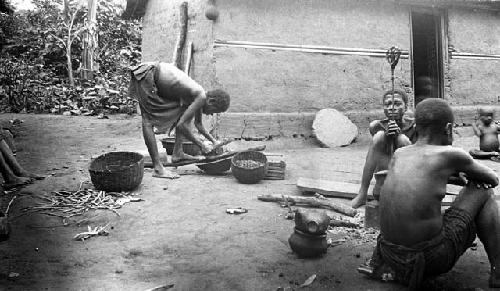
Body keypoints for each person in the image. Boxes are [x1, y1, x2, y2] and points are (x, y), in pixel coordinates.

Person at [362, 98, 500, 290]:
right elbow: (493, 179)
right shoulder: (451, 154)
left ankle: (384, 266)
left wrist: (451, 174)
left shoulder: (400, 153)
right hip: (429, 258)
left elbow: (424, 175)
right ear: (449, 128)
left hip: (389, 253)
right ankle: (498, 270)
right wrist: (461, 170)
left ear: (417, 126)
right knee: (484, 190)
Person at [129, 62, 230, 179]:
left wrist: (214, 142)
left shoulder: (200, 96)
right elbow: (181, 126)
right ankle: (158, 168)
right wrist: (201, 145)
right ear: (211, 101)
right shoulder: (201, 97)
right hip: (147, 75)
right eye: (214, 111)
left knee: (182, 112)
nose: (211, 114)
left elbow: (199, 125)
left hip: (155, 75)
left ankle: (178, 153)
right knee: (148, 121)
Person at [351, 89, 416, 208]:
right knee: (379, 137)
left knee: (402, 140)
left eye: (397, 104)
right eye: (388, 104)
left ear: (406, 107)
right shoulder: (378, 126)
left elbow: (416, 156)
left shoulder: (414, 126)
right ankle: (362, 192)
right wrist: (387, 134)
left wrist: (399, 136)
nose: (392, 108)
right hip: (384, 170)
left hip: (407, 175)